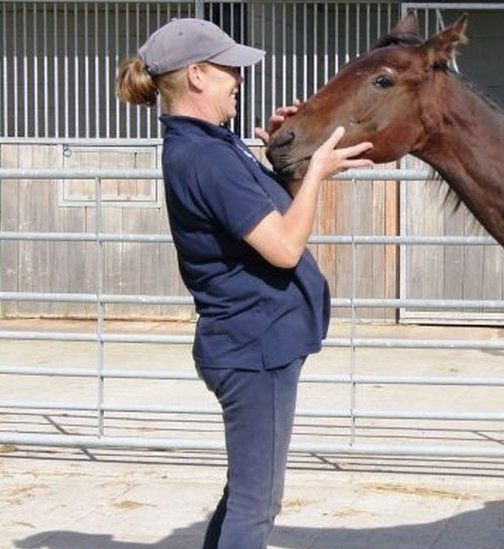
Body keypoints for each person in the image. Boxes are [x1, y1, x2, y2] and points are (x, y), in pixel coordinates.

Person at [116, 18, 373, 548]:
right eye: (229, 68)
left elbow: (263, 213)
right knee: (258, 507)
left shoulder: (212, 146)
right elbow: (283, 247)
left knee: (245, 494)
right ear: (197, 77)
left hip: (250, 342)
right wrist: (318, 174)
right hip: (254, 349)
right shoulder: (208, 158)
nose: (239, 78)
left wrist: (287, 156)